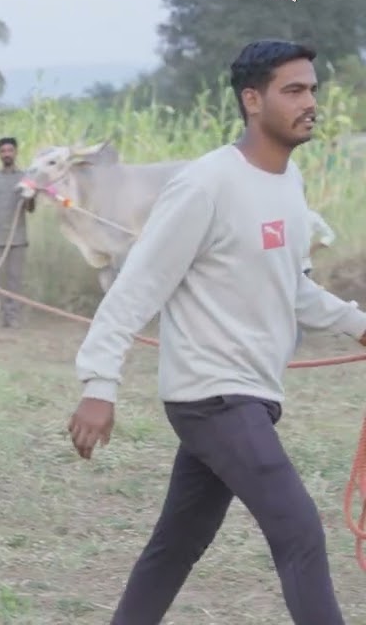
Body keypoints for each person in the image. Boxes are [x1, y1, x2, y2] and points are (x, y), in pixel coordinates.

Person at [68, 40, 366, 625]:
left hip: (249, 394)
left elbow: (294, 286)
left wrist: (360, 328)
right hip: (214, 397)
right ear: (251, 100)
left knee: (176, 545)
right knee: (300, 530)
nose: (311, 102)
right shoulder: (205, 185)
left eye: (312, 89)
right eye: (294, 90)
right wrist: (99, 383)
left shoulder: (289, 181)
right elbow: (137, 286)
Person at [0, 137, 35, 327]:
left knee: (14, 280)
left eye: (10, 150)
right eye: (3, 151)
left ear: (16, 152)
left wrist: (30, 194)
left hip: (17, 239)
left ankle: (11, 317)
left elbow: (30, 208)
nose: (7, 154)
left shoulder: (25, 178)